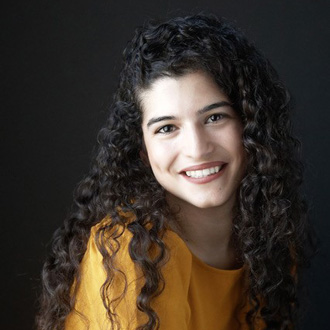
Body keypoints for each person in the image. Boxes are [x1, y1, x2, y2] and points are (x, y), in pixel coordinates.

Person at [36, 14, 314, 330]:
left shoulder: (271, 237)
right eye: (167, 128)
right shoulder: (129, 253)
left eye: (215, 118)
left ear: (251, 124)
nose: (196, 148)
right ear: (142, 149)